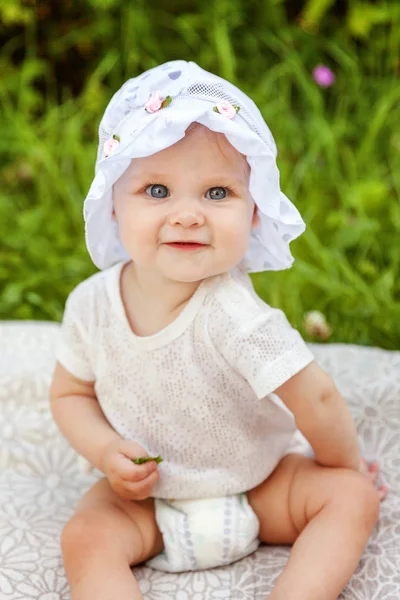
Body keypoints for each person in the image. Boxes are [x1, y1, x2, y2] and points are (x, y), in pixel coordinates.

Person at [49, 60, 387, 600]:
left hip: (260, 487)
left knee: (351, 498)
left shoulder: (232, 312)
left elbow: (315, 397)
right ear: (112, 203)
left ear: (255, 212)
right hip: (147, 502)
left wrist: (345, 466)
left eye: (216, 193)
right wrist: (105, 448)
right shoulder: (92, 304)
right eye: (157, 191)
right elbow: (69, 394)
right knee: (86, 536)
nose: (187, 215)